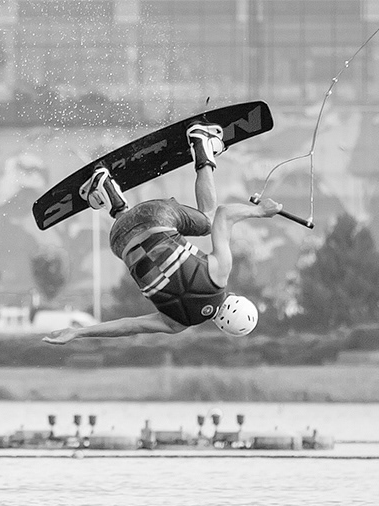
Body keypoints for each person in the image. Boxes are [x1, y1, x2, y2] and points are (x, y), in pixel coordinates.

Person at [42, 123, 282, 345]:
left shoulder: (219, 273)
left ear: (236, 299)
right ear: (221, 326)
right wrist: (78, 333)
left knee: (208, 220)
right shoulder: (176, 324)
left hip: (155, 216)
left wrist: (260, 211)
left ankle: (202, 142)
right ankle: (104, 189)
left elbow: (225, 214)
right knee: (138, 245)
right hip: (119, 238)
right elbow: (129, 326)